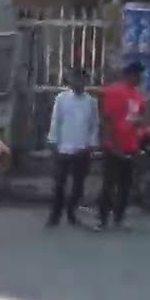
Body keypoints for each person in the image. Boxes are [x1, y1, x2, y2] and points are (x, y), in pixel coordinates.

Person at [46, 67, 100, 227]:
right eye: (75, 79)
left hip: (82, 148)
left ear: (86, 82)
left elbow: (94, 125)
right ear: (70, 81)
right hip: (63, 147)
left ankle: (71, 213)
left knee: (78, 185)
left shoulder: (91, 102)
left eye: (82, 80)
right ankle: (54, 216)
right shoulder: (61, 99)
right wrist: (53, 141)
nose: (78, 83)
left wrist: (91, 144)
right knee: (59, 185)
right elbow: (56, 121)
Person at [96, 62, 146, 231]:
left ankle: (119, 219)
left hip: (131, 147)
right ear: (129, 75)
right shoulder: (115, 92)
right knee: (109, 185)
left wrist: (138, 143)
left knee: (125, 186)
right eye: (138, 74)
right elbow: (108, 120)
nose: (141, 78)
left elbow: (138, 119)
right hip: (114, 147)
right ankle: (102, 220)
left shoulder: (138, 96)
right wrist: (115, 146)